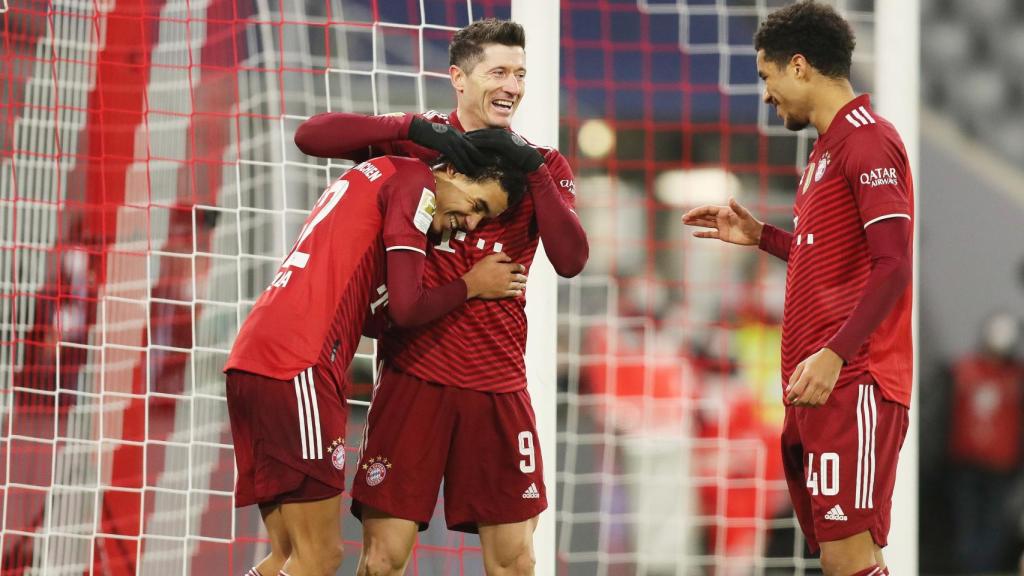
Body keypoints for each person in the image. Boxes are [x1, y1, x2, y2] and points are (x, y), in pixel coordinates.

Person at [293, 18, 588, 576]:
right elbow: (311, 135)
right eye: (498, 72)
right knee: (383, 559)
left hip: (498, 386)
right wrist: (410, 126)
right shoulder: (419, 141)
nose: (512, 86)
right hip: (413, 379)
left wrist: (534, 170)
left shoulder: (543, 164)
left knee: (516, 562)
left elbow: (571, 261)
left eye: (520, 74)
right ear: (458, 76)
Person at [223, 131, 530, 576]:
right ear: (454, 171)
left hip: (252, 358)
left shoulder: (379, 170)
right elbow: (406, 309)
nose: (472, 224)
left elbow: (375, 313)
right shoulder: (417, 183)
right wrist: (472, 285)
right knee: (320, 558)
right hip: (300, 366)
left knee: (284, 557)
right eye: (478, 206)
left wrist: (405, 126)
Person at [682, 2, 914, 575]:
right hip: (820, 385)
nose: (766, 93)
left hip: (855, 379)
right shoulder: (825, 152)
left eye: (767, 76)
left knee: (849, 559)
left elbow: (894, 263)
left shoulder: (868, 140)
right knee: (852, 560)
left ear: (801, 66)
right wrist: (763, 237)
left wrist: (836, 355)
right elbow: (836, 261)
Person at [947, 312, 1023, 573]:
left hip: (1001, 466)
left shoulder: (1016, 377)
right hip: (966, 463)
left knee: (994, 524)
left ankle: (984, 570)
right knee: (966, 522)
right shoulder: (964, 371)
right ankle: (968, 570)